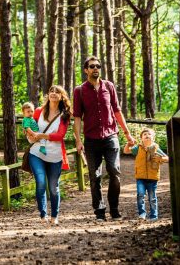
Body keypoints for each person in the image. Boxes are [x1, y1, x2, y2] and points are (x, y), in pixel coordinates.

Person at [73, 56, 136, 221]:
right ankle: (99, 210)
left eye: (98, 66)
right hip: (91, 139)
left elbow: (117, 110)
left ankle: (114, 209)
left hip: (110, 136)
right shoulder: (79, 90)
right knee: (95, 177)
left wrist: (127, 133)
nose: (96, 69)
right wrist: (78, 140)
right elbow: (78, 117)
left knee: (115, 172)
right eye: (92, 66)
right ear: (86, 70)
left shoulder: (109, 86)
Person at [26, 85, 71, 225]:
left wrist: (42, 135)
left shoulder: (65, 115)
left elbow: (60, 135)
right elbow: (28, 126)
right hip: (36, 152)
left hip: (55, 155)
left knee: (53, 187)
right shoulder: (39, 111)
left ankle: (54, 216)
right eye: (51, 91)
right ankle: (43, 214)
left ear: (62, 96)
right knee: (40, 182)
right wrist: (30, 135)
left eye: (57, 92)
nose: (53, 93)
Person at [124, 128, 168, 221]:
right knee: (140, 194)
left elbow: (167, 158)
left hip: (153, 177)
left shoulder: (156, 148)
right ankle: (142, 214)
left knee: (152, 197)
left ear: (153, 138)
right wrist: (128, 144)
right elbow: (126, 151)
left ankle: (154, 216)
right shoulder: (138, 148)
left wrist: (160, 159)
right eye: (144, 134)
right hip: (140, 177)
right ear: (141, 138)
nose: (147, 135)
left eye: (149, 134)